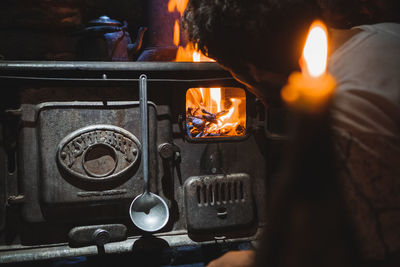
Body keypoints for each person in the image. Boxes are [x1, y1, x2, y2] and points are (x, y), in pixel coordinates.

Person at [182, 0, 400, 266]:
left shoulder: (346, 113)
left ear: (254, 70)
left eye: (230, 71)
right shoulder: (385, 34)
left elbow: (371, 253)